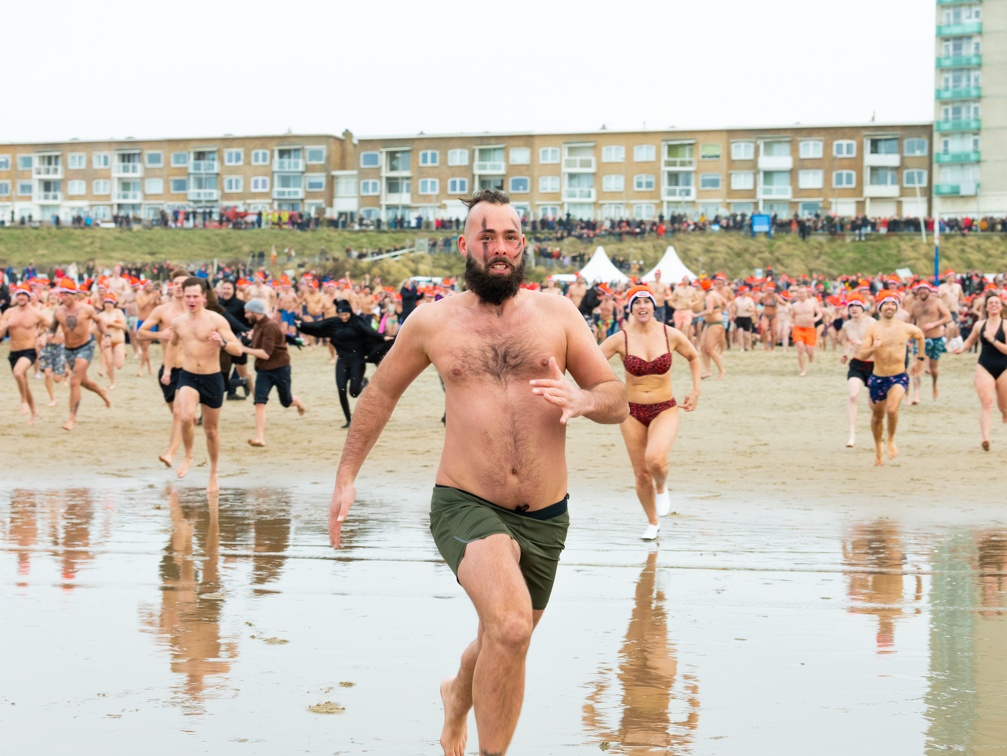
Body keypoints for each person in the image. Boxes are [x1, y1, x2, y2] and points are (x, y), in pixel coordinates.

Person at [328, 189, 627, 755]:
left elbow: (616, 397)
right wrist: (347, 475)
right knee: (511, 627)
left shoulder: (558, 315)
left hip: (545, 515)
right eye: (486, 237)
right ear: (464, 245)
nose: (499, 248)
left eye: (510, 237)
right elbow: (380, 394)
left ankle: (454, 696)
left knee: (506, 633)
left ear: (523, 246)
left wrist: (585, 400)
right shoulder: (433, 323)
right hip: (466, 504)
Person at [599, 286, 700, 540]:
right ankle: (653, 523)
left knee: (655, 460)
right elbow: (591, 360)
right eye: (637, 302)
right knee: (641, 474)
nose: (642, 306)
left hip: (664, 407)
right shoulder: (621, 337)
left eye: (647, 302)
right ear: (630, 308)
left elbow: (693, 357)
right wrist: (605, 390)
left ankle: (663, 485)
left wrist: (695, 390)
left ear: (654, 307)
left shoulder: (670, 334)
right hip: (631, 412)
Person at [167, 277, 244, 492]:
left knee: (211, 430)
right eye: (188, 296)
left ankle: (213, 472)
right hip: (188, 376)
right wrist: (166, 369)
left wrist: (223, 342)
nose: (191, 300)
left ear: (203, 297)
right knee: (185, 417)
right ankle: (188, 455)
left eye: (195, 296)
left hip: (213, 378)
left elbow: (238, 349)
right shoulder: (178, 322)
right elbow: (171, 346)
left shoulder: (216, 320)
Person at [296, 300, 391, 428]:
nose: (344, 317)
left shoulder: (357, 321)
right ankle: (348, 419)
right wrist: (301, 324)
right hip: (342, 360)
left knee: (353, 392)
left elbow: (369, 332)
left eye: (346, 315)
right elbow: (317, 326)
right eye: (341, 315)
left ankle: (363, 382)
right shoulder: (334, 323)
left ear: (350, 313)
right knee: (341, 390)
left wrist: (383, 338)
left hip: (357, 360)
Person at [857, 291, 925, 466]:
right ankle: (878, 449)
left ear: (896, 307)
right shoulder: (872, 329)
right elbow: (862, 355)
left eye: (893, 303)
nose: (889, 306)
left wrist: (920, 359)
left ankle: (891, 440)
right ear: (880, 307)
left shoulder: (906, 328)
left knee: (892, 410)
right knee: (877, 417)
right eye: (886, 304)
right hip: (878, 377)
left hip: (898, 376)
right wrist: (874, 347)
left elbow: (920, 336)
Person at [138, 270, 190, 467]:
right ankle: (187, 430)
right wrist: (160, 335)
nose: (178, 286)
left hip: (189, 369)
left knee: (178, 411)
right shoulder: (162, 310)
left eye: (182, 283)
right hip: (167, 369)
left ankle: (171, 453)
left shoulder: (195, 311)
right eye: (175, 283)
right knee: (178, 414)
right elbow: (140, 333)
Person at [49, 278, 111, 430]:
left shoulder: (86, 309)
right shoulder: (58, 311)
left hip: (85, 347)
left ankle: (71, 419)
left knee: (74, 380)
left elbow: (100, 321)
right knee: (83, 381)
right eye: (61, 294)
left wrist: (107, 336)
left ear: (74, 295)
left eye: (66, 294)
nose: (62, 298)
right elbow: (52, 328)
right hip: (69, 349)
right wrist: (47, 337)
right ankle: (101, 392)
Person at [242, 298, 306, 448]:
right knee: (259, 402)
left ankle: (296, 401)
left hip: (280, 368)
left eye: (247, 312)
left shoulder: (270, 326)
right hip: (263, 370)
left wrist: (243, 349)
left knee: (286, 402)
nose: (245, 315)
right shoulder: (258, 325)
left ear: (255, 313)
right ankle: (260, 438)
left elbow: (265, 353)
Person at [952, 291, 1007, 451]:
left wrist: (992, 340)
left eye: (997, 302)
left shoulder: (1005, 325)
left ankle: (1004, 413)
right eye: (991, 303)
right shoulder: (979, 325)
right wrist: (960, 350)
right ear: (986, 307)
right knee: (986, 403)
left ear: (1001, 306)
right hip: (984, 366)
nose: (994, 305)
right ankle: (986, 439)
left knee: (1003, 406)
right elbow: (969, 342)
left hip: (1004, 367)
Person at [0, 285, 52, 424]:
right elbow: (0, 334)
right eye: (19, 295)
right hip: (13, 351)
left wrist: (42, 337)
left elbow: (51, 326)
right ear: (16, 297)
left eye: (24, 294)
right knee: (24, 383)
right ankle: (34, 411)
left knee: (18, 373)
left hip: (29, 350)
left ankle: (23, 402)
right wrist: (6, 325)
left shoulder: (36, 313)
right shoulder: (9, 313)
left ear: (28, 297)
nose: (21, 297)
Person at [839, 294, 874, 448]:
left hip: (874, 364)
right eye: (851, 306)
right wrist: (846, 353)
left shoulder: (872, 323)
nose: (854, 308)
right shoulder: (847, 325)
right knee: (853, 396)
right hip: (857, 364)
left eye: (857, 305)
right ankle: (852, 434)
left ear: (863, 307)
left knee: (875, 404)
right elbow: (848, 342)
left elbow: (879, 343)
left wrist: (864, 343)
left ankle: (877, 433)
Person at [909, 282, 952, 400]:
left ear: (929, 291)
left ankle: (934, 385)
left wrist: (934, 324)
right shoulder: (915, 305)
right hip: (920, 339)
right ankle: (916, 395)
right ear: (917, 291)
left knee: (933, 368)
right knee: (917, 366)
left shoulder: (937, 302)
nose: (922, 291)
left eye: (925, 289)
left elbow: (948, 317)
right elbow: (910, 319)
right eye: (920, 289)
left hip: (936, 338)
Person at [96, 292, 128, 389]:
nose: (108, 304)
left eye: (110, 302)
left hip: (118, 340)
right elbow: (98, 329)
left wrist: (111, 324)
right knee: (109, 363)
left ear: (114, 303)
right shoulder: (101, 315)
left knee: (119, 365)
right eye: (106, 302)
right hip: (106, 341)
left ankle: (121, 353)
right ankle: (112, 382)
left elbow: (123, 326)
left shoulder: (118, 312)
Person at [791, 285, 823, 376]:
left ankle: (811, 356)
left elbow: (819, 313)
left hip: (810, 328)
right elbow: (792, 317)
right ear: (798, 294)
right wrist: (791, 324)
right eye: (800, 293)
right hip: (798, 328)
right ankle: (803, 370)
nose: (802, 294)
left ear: (807, 293)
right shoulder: (794, 305)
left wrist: (816, 319)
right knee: (800, 348)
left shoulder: (812, 303)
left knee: (810, 350)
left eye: (803, 292)